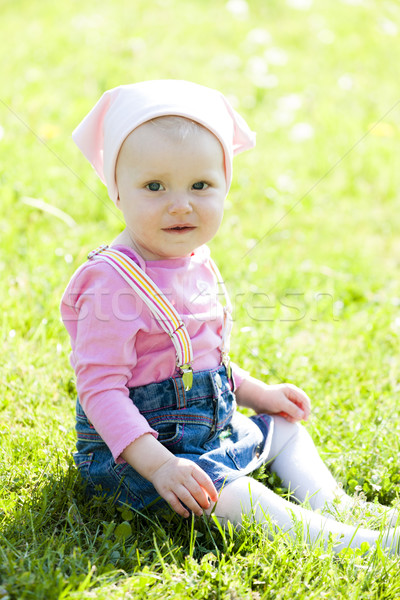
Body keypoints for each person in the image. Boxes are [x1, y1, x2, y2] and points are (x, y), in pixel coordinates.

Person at [61, 80, 399, 554]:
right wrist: (160, 466)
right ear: (117, 191)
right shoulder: (112, 282)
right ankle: (354, 545)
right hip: (136, 458)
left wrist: (258, 393)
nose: (181, 203)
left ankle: (336, 505)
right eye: (154, 186)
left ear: (225, 188)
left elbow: (196, 365)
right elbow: (100, 391)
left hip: (208, 432)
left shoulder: (195, 261)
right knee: (235, 495)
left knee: (284, 428)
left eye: (200, 185)